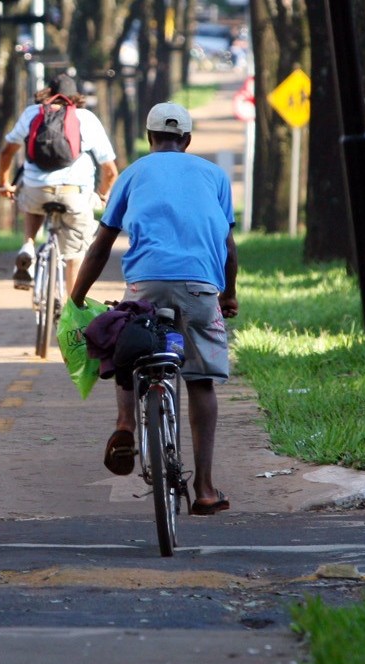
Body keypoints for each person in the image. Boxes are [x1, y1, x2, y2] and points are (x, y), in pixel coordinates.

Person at [69, 102, 239, 515]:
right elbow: (228, 247)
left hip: (145, 286)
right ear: (187, 140)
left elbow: (101, 244)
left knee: (127, 347)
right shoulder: (215, 176)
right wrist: (228, 294)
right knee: (200, 383)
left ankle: (125, 423)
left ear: (149, 139)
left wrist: (76, 298)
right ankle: (204, 487)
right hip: (200, 287)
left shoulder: (133, 174)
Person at [0, 74, 118, 294]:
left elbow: (6, 153)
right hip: (75, 193)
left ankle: (29, 246)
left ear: (49, 94)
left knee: (33, 199)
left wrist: (3, 184)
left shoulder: (33, 114)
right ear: (76, 98)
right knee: (75, 254)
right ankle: (71, 314)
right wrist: (102, 194)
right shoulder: (86, 119)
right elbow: (110, 171)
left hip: (35, 190)